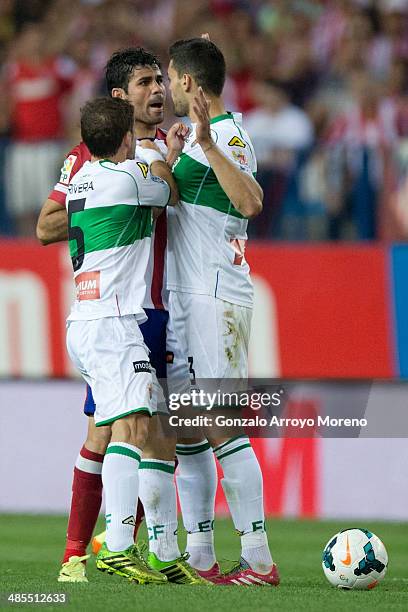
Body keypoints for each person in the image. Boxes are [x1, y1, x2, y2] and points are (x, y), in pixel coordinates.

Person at [37, 47, 214, 585]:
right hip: (122, 311)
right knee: (113, 430)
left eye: (162, 79)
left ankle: (141, 547)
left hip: (164, 306)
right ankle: (83, 552)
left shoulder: (172, 141)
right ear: (119, 98)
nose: (158, 90)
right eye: (145, 83)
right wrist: (112, 201)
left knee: (152, 429)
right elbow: (47, 226)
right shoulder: (90, 158)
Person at [166, 37, 280, 586]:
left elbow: (251, 203)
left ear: (188, 83)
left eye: (169, 77)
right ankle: (202, 555)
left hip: (217, 296)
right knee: (188, 430)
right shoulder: (193, 139)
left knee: (220, 425)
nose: (165, 86)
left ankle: (259, 559)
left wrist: (206, 145)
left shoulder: (226, 135)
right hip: (190, 297)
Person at [65, 95, 173, 584]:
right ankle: (118, 544)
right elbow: (168, 195)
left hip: (84, 319)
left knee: (133, 423)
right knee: (130, 430)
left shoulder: (79, 182)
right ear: (126, 137)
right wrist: (164, 154)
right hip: (114, 319)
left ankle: (122, 543)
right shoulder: (129, 176)